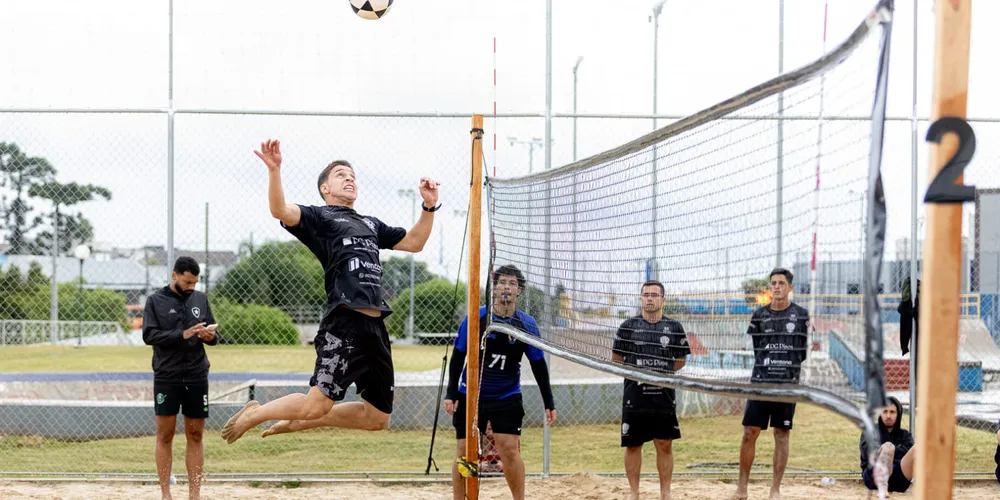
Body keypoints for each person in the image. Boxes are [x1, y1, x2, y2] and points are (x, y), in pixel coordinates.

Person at [221, 139, 439, 443]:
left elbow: (415, 242)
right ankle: (255, 413)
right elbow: (279, 209)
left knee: (377, 418)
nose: (349, 178)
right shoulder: (321, 218)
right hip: (345, 322)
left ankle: (300, 421)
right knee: (316, 404)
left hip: (375, 328)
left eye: (352, 175)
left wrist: (429, 205)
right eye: (340, 174)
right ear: (325, 188)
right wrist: (275, 170)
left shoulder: (370, 224)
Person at [443, 264, 557, 500]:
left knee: (509, 450)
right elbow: (457, 357)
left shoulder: (526, 324)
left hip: (506, 395)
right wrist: (451, 393)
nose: (507, 287)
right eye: (502, 282)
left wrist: (549, 401)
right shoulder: (477, 317)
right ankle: (460, 497)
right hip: (471, 394)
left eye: (512, 283)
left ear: (520, 291)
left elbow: (538, 364)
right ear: (493, 288)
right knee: (465, 452)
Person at [143, 256, 220, 500]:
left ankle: (194, 495)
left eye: (195, 282)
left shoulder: (200, 299)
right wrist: (182, 334)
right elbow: (149, 335)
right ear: (174, 275)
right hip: (167, 375)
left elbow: (213, 334)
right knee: (165, 434)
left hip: (197, 375)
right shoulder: (155, 301)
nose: (191, 287)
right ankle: (166, 494)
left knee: (195, 434)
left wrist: (209, 337)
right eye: (187, 282)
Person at [733, 268, 809, 500]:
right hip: (760, 383)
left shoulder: (802, 315)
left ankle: (775, 489)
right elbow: (757, 350)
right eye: (773, 283)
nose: (776, 286)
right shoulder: (758, 315)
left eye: (781, 283)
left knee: (782, 433)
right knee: (749, 432)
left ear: (790, 287)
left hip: (786, 385)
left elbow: (802, 352)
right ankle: (742, 487)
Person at [612, 280, 690, 500]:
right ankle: (634, 493)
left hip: (663, 395)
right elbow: (616, 359)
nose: (649, 298)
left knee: (664, 444)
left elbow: (681, 360)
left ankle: (665, 493)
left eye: (654, 295)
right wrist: (639, 375)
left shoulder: (674, 327)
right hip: (635, 396)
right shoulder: (628, 326)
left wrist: (660, 375)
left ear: (663, 299)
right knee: (633, 444)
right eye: (645, 294)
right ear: (640, 298)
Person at [860, 397, 915, 497]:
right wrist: (889, 450)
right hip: (874, 477)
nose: (888, 416)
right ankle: (883, 490)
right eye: (885, 411)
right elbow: (868, 453)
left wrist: (892, 454)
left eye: (892, 412)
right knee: (888, 447)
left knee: (918, 448)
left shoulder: (905, 435)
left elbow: (908, 453)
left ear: (898, 414)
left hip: (899, 479)